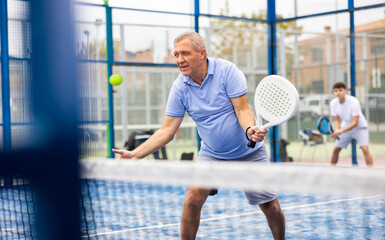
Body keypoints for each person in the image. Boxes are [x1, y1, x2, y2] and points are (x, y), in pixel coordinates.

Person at [112, 31, 286, 240]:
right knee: (192, 199)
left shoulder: (227, 71)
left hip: (248, 153)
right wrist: (135, 154)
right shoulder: (180, 87)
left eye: (185, 53)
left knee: (270, 207)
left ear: (202, 53)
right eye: (175, 55)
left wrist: (250, 130)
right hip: (212, 154)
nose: (179, 60)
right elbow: (167, 130)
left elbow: (242, 110)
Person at [330, 82, 373, 167]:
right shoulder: (333, 103)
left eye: (340, 90)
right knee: (335, 150)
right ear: (334, 92)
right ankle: (331, 170)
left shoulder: (353, 101)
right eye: (335, 91)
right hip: (345, 127)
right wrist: (337, 129)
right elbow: (336, 119)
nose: (338, 93)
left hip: (360, 127)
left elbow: (355, 122)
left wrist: (340, 131)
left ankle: (371, 172)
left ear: (345, 91)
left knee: (365, 149)